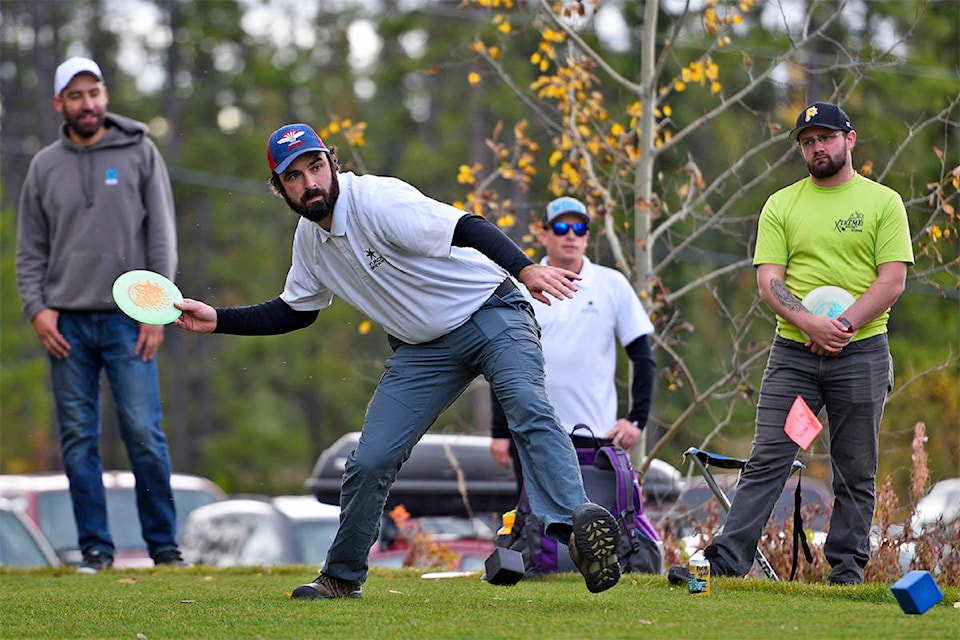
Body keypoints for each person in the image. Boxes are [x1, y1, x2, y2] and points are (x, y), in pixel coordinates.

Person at [173, 123, 624, 598]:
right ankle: (341, 578)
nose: (309, 183)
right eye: (294, 177)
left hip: (491, 312)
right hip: (425, 350)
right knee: (369, 461)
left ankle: (578, 529)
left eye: (316, 167)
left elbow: (467, 225)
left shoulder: (379, 201)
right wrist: (217, 319)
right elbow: (294, 310)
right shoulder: (309, 242)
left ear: (332, 163)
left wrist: (525, 268)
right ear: (280, 188)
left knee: (528, 408)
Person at [690, 102, 914, 585]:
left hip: (861, 353)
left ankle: (847, 572)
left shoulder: (883, 202)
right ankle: (727, 560)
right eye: (808, 141)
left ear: (849, 140)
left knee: (854, 466)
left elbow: (891, 281)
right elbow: (770, 281)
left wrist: (843, 327)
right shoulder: (782, 204)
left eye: (826, 138)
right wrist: (810, 324)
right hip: (794, 357)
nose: (817, 148)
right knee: (770, 455)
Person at [16, 57, 184, 572]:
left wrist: (157, 311)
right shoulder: (44, 165)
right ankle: (96, 550)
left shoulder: (139, 151)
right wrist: (37, 310)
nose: (87, 104)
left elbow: (161, 236)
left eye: (94, 93)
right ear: (59, 104)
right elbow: (30, 250)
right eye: (76, 96)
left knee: (143, 432)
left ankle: (164, 548)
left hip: (128, 320)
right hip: (65, 324)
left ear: (104, 96)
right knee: (78, 438)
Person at [489, 196, 656, 493]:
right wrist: (500, 431)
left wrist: (637, 419)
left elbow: (642, 355)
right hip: (531, 430)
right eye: (561, 226)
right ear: (543, 234)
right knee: (536, 526)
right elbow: (501, 360)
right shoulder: (519, 288)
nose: (570, 234)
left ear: (587, 237)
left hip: (595, 432)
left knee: (594, 526)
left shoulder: (611, 284)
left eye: (579, 228)